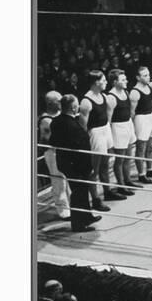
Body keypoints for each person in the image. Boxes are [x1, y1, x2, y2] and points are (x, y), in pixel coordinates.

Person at [49, 95, 102, 231]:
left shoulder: (56, 121)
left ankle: (87, 216)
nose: (78, 106)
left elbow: (53, 141)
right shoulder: (72, 124)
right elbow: (81, 147)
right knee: (78, 192)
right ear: (73, 108)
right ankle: (78, 224)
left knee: (82, 191)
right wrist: (88, 166)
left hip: (67, 162)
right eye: (77, 104)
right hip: (76, 165)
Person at [79, 71, 121, 211]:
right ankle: (96, 200)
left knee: (105, 164)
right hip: (95, 133)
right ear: (96, 82)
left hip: (105, 130)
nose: (106, 82)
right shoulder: (86, 101)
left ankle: (107, 191)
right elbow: (83, 126)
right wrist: (86, 143)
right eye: (103, 80)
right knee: (94, 169)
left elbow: (107, 116)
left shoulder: (103, 96)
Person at [106, 69, 139, 196]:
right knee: (119, 159)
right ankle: (121, 185)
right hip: (117, 128)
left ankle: (128, 180)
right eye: (123, 80)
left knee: (128, 156)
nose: (126, 81)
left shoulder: (125, 92)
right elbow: (108, 120)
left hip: (127, 124)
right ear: (115, 82)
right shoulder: (111, 97)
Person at [39, 91, 71, 220]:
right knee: (58, 181)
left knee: (67, 179)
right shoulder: (46, 120)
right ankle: (63, 210)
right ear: (51, 103)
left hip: (64, 150)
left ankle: (71, 206)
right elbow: (49, 139)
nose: (61, 103)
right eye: (59, 101)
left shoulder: (60, 115)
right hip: (53, 152)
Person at [130, 66, 152, 184]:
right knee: (141, 147)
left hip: (150, 116)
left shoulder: (150, 87)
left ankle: (150, 169)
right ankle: (141, 174)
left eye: (148, 74)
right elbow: (132, 112)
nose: (148, 77)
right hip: (141, 118)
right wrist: (133, 126)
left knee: (151, 145)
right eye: (144, 75)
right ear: (138, 78)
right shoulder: (134, 92)